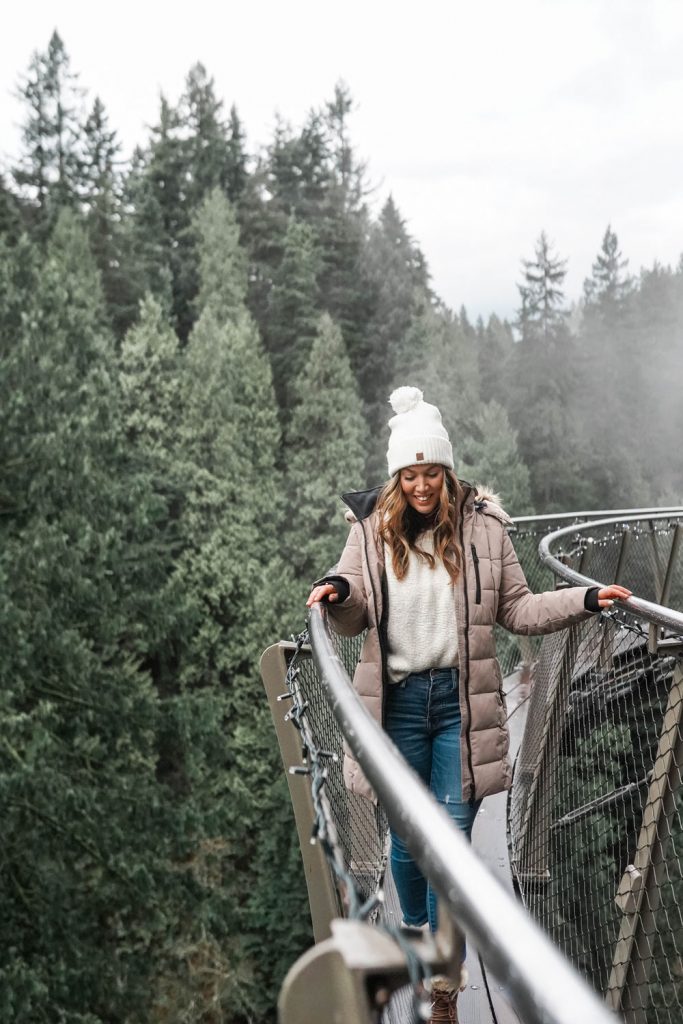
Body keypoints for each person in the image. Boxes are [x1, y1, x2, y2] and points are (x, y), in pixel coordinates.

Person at [306, 386, 631, 1023]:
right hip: (396, 708)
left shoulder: (483, 529)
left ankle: (446, 983)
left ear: (447, 471)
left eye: (432, 472)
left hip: (461, 706)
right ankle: (429, 948)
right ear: (396, 477)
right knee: (406, 842)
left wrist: (585, 602)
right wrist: (337, 589)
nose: (422, 485)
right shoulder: (371, 531)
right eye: (410, 474)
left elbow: (518, 608)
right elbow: (352, 609)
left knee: (451, 837)